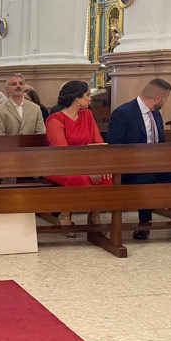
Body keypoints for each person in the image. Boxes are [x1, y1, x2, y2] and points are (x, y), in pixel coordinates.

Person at [107, 78, 171, 239]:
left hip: (156, 165)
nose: (165, 101)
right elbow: (114, 147)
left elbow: (161, 145)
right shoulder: (123, 113)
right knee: (146, 175)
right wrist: (141, 160)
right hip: (131, 168)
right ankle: (144, 223)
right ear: (158, 97)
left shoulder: (156, 114)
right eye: (166, 97)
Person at [45, 80, 111, 235]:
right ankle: (64, 215)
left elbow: (99, 144)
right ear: (77, 99)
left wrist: (96, 166)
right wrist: (87, 166)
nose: (90, 98)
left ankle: (95, 215)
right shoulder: (55, 120)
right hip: (61, 166)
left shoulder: (88, 115)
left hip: (87, 163)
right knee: (79, 178)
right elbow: (63, 153)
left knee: (106, 176)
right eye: (87, 95)